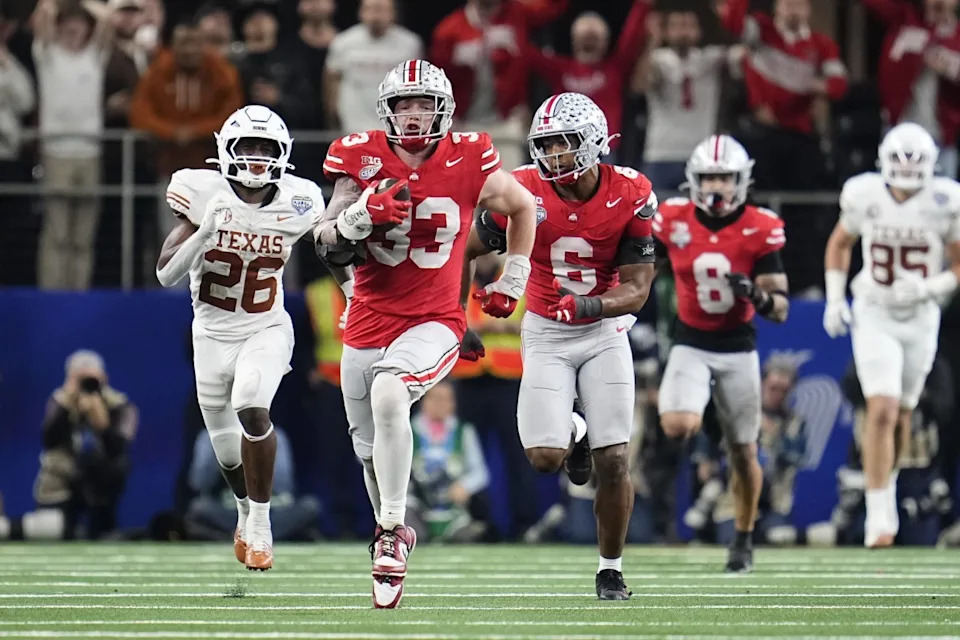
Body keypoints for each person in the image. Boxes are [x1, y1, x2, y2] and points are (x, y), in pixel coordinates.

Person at [313, 59, 536, 608]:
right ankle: (390, 532)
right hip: (367, 315)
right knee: (368, 452)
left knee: (392, 393)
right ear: (387, 111)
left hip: (435, 318)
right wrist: (357, 219)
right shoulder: (359, 156)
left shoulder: (470, 155)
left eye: (423, 103)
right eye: (404, 104)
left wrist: (515, 272)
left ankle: (392, 533)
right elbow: (324, 239)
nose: (414, 115)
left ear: (444, 109)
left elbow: (523, 205)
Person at [463, 92, 657, 599]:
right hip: (547, 330)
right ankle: (574, 428)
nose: (553, 157)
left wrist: (590, 307)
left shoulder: (629, 191)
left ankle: (610, 569)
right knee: (545, 457)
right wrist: (454, 315)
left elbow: (638, 287)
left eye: (564, 145)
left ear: (593, 143)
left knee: (614, 459)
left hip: (603, 330)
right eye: (545, 146)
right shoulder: (525, 188)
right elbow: (462, 245)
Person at [156, 104, 325, 571]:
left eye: (264, 148)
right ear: (226, 151)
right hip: (210, 335)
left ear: (283, 154)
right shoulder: (201, 191)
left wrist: (353, 293)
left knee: (253, 403)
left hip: (264, 327)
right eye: (246, 147)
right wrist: (204, 230)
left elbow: (329, 251)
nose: (254, 158)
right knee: (227, 455)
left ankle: (263, 525)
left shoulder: (300, 199)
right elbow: (166, 274)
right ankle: (244, 512)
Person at [653, 134, 789, 573]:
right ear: (693, 179)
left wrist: (757, 296)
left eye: (724, 178)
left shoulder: (760, 226)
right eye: (709, 177)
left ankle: (744, 540)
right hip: (690, 341)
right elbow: (638, 269)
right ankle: (709, 419)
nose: (716, 187)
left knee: (744, 452)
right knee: (677, 423)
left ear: (741, 180)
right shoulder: (671, 218)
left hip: (736, 347)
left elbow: (781, 309)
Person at [822, 122, 960, 548]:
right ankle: (879, 516)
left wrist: (929, 287)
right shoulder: (865, 194)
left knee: (902, 413)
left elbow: (957, 263)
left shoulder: (945, 200)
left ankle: (890, 481)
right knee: (880, 407)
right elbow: (840, 243)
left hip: (920, 314)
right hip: (875, 310)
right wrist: (834, 298)